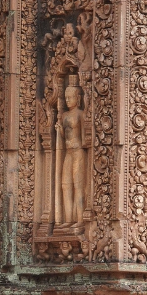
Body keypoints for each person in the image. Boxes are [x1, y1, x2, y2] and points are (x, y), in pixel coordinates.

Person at [56, 77, 86, 230]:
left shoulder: (80, 114)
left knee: (78, 185)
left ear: (78, 98)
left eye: (70, 97)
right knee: (65, 185)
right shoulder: (64, 115)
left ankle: (80, 219)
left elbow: (85, 136)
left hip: (78, 152)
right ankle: (68, 219)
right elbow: (63, 136)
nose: (68, 100)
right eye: (66, 97)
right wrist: (59, 130)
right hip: (68, 152)